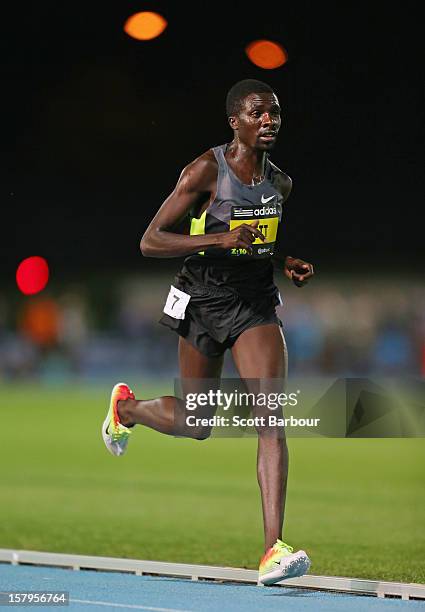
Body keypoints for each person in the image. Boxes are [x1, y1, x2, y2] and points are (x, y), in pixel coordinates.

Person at [102, 79, 314, 586]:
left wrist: (285, 260)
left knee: (270, 417)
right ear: (235, 121)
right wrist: (218, 237)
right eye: (258, 113)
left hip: (255, 304)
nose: (270, 121)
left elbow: (255, 243)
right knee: (198, 424)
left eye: (276, 113)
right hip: (201, 299)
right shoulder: (204, 170)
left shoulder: (280, 184)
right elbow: (150, 241)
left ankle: (272, 551)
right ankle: (125, 409)